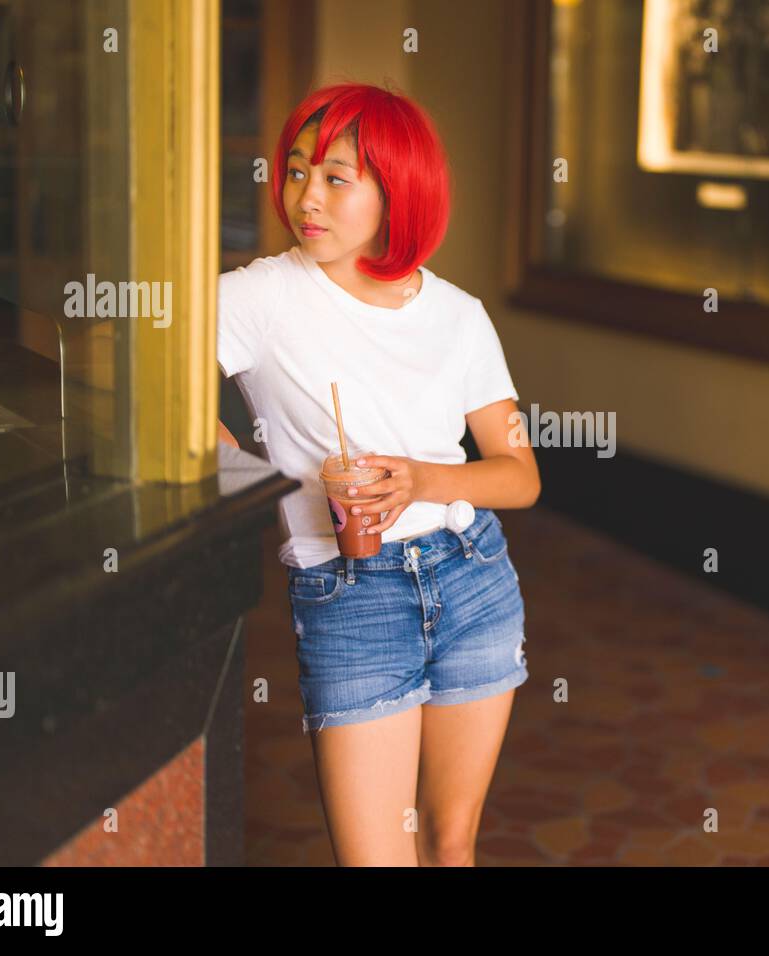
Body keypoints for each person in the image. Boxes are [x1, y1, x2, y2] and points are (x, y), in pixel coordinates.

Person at [215, 82, 540, 866]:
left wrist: (422, 481)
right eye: (295, 172)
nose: (306, 198)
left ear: (396, 191)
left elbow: (518, 474)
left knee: (450, 844)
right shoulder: (261, 295)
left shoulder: (458, 315)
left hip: (471, 576)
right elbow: (135, 375)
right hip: (351, 594)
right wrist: (240, 472)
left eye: (335, 177)